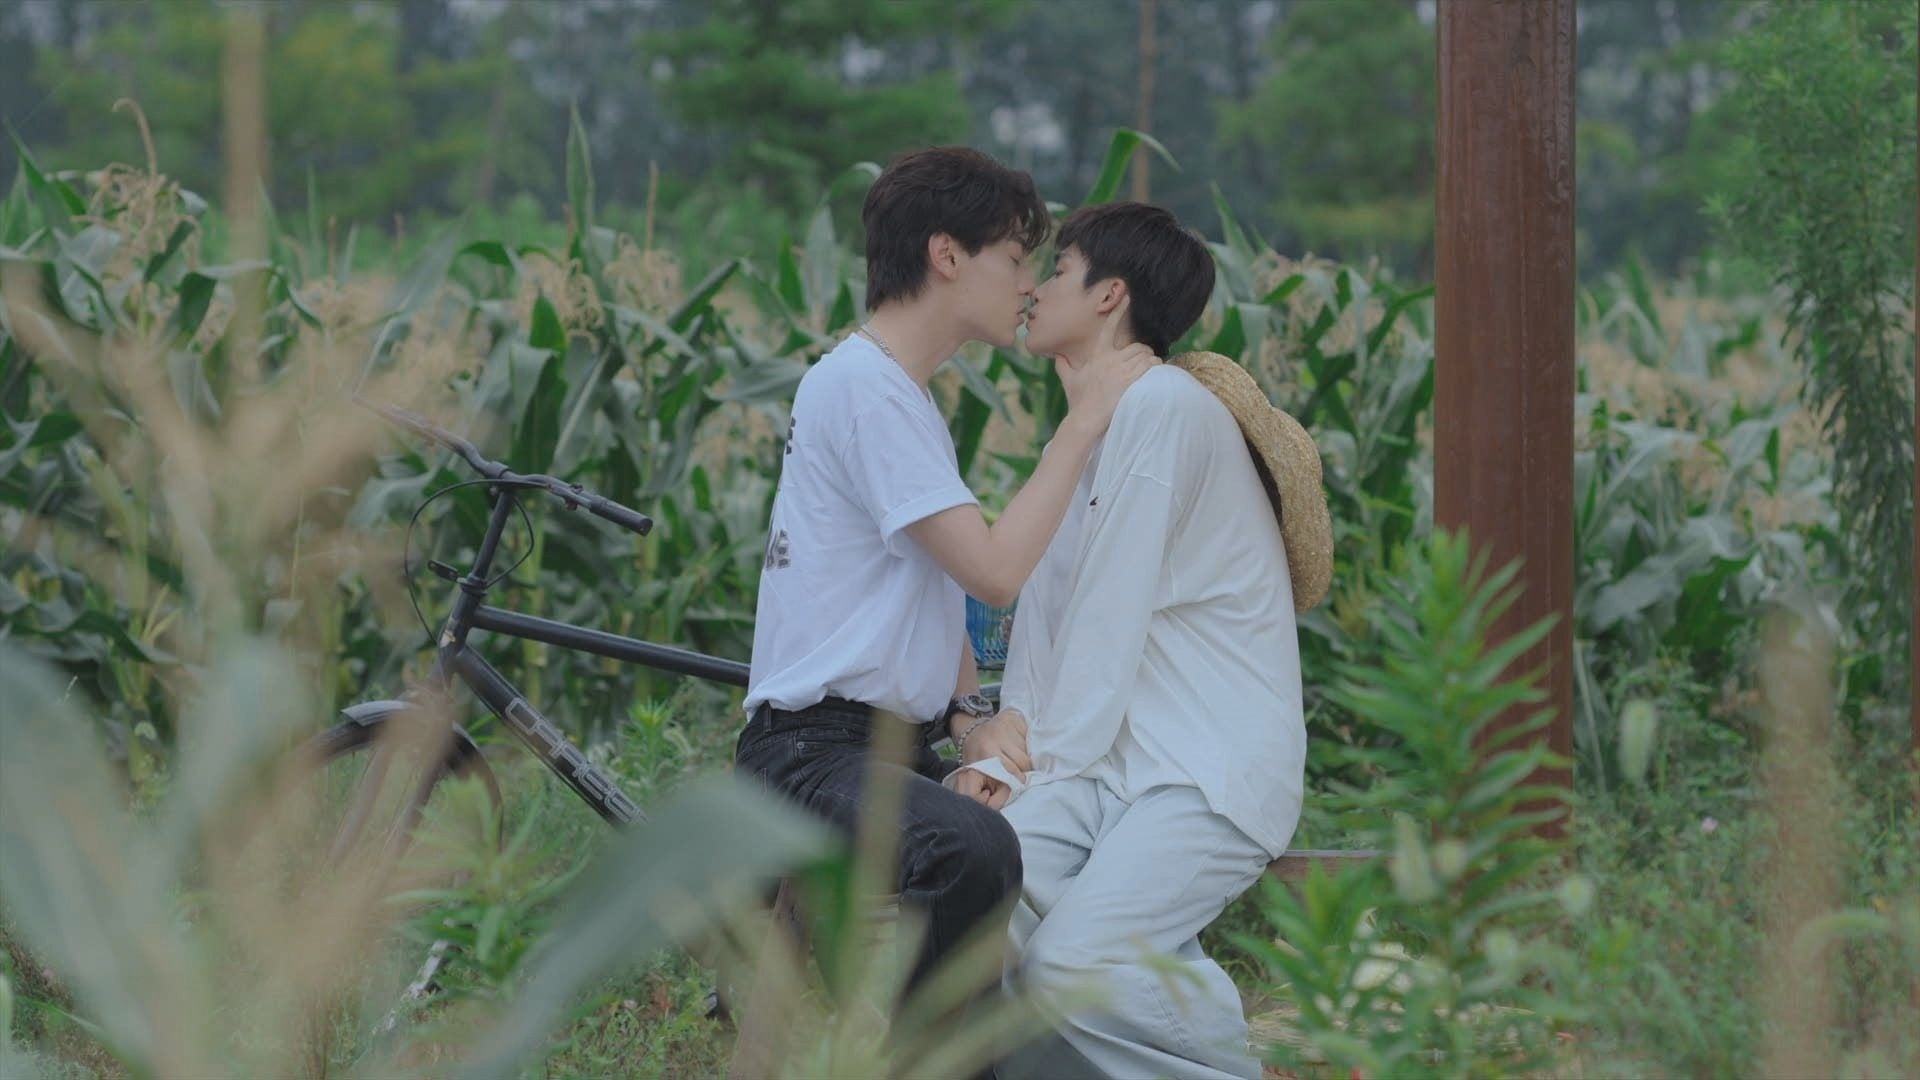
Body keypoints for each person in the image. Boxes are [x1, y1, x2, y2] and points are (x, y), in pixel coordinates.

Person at [732, 147, 1153, 993]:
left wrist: (969, 722)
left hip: (880, 750)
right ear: (946, 255)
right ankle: (918, 1051)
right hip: (811, 757)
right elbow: (993, 574)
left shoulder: (900, 392)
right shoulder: (867, 389)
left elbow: (932, 587)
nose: (1028, 284)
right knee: (970, 847)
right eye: (1016, 258)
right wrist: (1083, 424)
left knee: (1048, 823)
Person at [951, 202, 1334, 1079]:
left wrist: (1031, 765)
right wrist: (1005, 757)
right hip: (1110, 766)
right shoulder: (1091, 424)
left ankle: (1239, 1063)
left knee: (1071, 967)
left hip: (1204, 769)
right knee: (980, 897)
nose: (1035, 288)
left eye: (1058, 270)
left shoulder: (1163, 407)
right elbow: (1048, 624)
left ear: (1109, 295)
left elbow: (1107, 620)